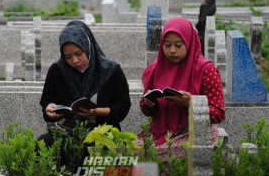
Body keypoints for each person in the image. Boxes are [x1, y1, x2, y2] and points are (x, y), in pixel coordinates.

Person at [140, 17, 225, 157]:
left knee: (156, 155)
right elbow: (147, 110)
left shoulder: (206, 70)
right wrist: (147, 103)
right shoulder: (156, 68)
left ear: (189, 42)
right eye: (167, 45)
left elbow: (219, 114)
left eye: (178, 45)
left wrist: (191, 103)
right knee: (131, 151)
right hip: (161, 132)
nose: (172, 50)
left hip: (193, 131)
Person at [38, 20, 131, 147]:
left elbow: (123, 107)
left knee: (91, 149)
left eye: (78, 54)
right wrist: (49, 110)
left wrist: (97, 111)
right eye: (68, 57)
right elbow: (47, 103)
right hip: (67, 131)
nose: (75, 61)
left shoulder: (110, 70)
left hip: (102, 132)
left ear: (87, 46)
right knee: (40, 146)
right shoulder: (57, 70)